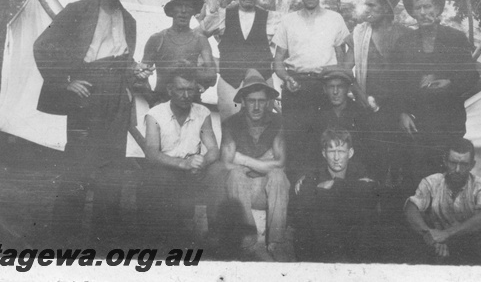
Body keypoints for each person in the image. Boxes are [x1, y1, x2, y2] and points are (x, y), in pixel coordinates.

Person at [33, 0, 138, 244]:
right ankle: (63, 241)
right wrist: (64, 81)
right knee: (79, 166)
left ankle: (104, 242)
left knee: (112, 170)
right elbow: (42, 46)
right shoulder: (78, 10)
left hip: (117, 100)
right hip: (88, 97)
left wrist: (133, 73)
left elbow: (123, 58)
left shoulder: (129, 20)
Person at [272, 0, 351, 177]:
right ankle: (295, 196)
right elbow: (278, 62)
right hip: (295, 87)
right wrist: (287, 78)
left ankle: (324, 190)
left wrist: (339, 77)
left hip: (324, 88)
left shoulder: (335, 19)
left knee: (326, 141)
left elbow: (347, 53)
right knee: (296, 144)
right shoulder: (288, 21)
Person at [136, 67, 225, 246]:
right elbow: (152, 153)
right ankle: (168, 235)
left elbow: (214, 149)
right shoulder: (155, 114)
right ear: (170, 90)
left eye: (190, 90)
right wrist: (183, 164)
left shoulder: (202, 112)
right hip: (168, 168)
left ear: (196, 90)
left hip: (194, 169)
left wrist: (202, 163)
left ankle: (216, 234)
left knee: (218, 170)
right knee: (159, 178)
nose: (185, 95)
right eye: (180, 89)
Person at [401, 0, 479, 181]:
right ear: (413, 12)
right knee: (419, 178)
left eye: (428, 6)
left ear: (437, 8)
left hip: (448, 121)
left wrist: (449, 83)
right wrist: (403, 112)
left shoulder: (454, 38)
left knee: (449, 177)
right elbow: (396, 83)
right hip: (418, 125)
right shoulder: (405, 43)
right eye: (418, 8)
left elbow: (471, 77)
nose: (424, 13)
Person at [346, 0, 412, 186]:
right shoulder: (360, 33)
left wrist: (403, 110)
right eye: (366, 4)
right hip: (367, 110)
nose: (367, 9)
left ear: (386, 8)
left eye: (372, 5)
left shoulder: (403, 35)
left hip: (397, 111)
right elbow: (345, 69)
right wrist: (360, 95)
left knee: (397, 167)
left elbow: (410, 78)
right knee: (371, 164)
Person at [220, 69, 292, 260]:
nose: (257, 106)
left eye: (261, 101)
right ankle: (248, 239)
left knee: (278, 176)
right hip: (241, 191)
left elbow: (281, 164)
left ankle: (276, 242)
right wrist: (266, 161)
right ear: (243, 101)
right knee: (235, 175)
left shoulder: (278, 121)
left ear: (268, 102)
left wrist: (242, 159)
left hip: (268, 190)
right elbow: (227, 163)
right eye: (252, 101)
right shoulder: (231, 123)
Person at [199, 0, 279, 120]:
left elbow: (287, 45)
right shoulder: (222, 15)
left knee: (263, 132)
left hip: (262, 83)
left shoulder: (271, 19)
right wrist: (209, 61)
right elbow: (196, 36)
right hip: (230, 83)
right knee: (231, 130)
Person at [404, 138, 481, 264]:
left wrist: (447, 234)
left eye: (464, 164)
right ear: (445, 161)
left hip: (475, 248)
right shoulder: (431, 182)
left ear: (472, 165)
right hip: (440, 246)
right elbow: (411, 207)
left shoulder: (480, 185)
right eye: (453, 163)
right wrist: (428, 234)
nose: (458, 170)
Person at [294, 128, 378, 263]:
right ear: (324, 153)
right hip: (321, 248)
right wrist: (351, 188)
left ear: (350, 153)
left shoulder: (359, 170)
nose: (336, 157)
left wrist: (333, 185)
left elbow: (373, 192)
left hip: (351, 243)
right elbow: (305, 198)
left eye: (341, 151)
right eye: (332, 151)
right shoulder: (314, 175)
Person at [136, 0, 217, 105]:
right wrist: (153, 101)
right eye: (179, 6)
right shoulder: (157, 39)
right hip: (162, 102)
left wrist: (192, 70)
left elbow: (212, 76)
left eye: (188, 6)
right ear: (172, 10)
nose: (183, 11)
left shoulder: (200, 40)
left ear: (193, 10)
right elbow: (141, 77)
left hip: (192, 104)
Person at [314, 66, 369, 167]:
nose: (335, 92)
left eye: (340, 86)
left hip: (355, 171)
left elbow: (367, 151)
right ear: (325, 89)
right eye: (331, 87)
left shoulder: (359, 113)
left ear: (347, 88)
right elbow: (313, 153)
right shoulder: (317, 114)